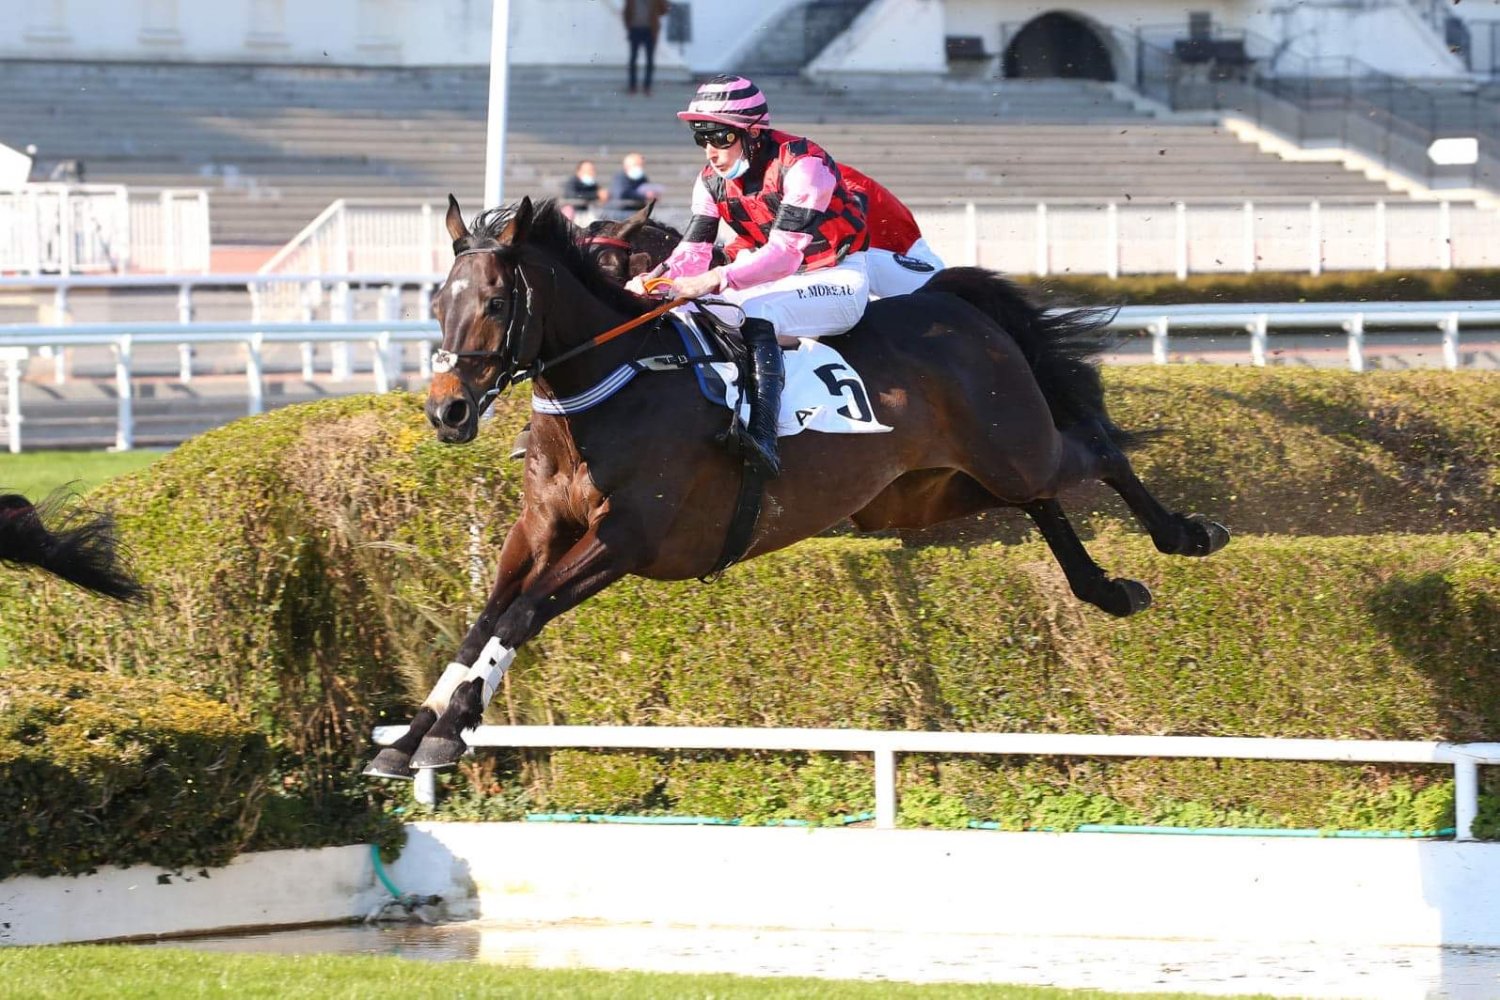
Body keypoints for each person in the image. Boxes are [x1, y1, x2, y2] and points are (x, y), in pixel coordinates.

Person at [626, 75, 870, 479]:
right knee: (685, 312)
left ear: (753, 133)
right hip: (779, 280)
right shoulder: (709, 181)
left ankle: (763, 437)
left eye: (720, 137)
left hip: (836, 277)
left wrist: (715, 279)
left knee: (755, 312)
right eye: (701, 137)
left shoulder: (804, 164)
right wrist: (653, 281)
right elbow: (693, 252)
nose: (711, 151)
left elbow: (784, 255)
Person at [836, 164, 946, 297]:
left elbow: (855, 208)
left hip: (920, 275)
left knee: (843, 257)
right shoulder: (826, 171)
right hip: (904, 268)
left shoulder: (833, 174)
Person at [624, 0, 671, 96]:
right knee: (633, 59)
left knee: (649, 60)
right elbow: (626, 12)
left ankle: (647, 87)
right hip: (635, 29)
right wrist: (629, 27)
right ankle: (632, 87)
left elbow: (664, 10)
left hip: (650, 30)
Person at [607, 152, 660, 217]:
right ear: (627, 165)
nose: (640, 168)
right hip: (620, 213)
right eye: (637, 165)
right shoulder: (620, 177)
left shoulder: (642, 178)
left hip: (637, 212)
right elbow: (621, 193)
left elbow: (646, 189)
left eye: (641, 165)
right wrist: (644, 195)